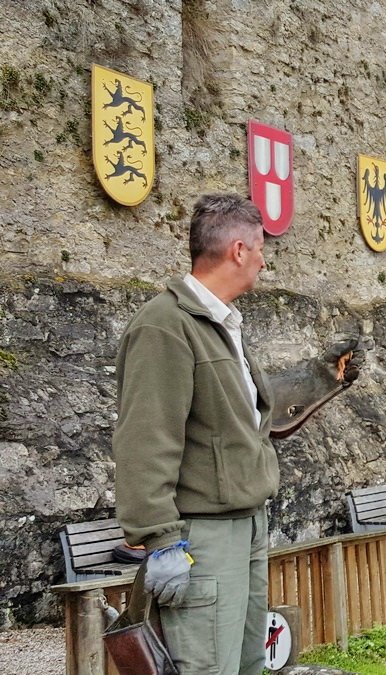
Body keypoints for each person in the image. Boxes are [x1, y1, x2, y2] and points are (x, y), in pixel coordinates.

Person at [113, 194, 276, 674]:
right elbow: (146, 437)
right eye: (262, 247)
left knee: (247, 665)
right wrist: (159, 539)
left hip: (246, 524)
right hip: (200, 538)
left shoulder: (222, 323)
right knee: (205, 667)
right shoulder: (165, 325)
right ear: (239, 250)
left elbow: (238, 419)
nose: (265, 260)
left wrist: (321, 379)